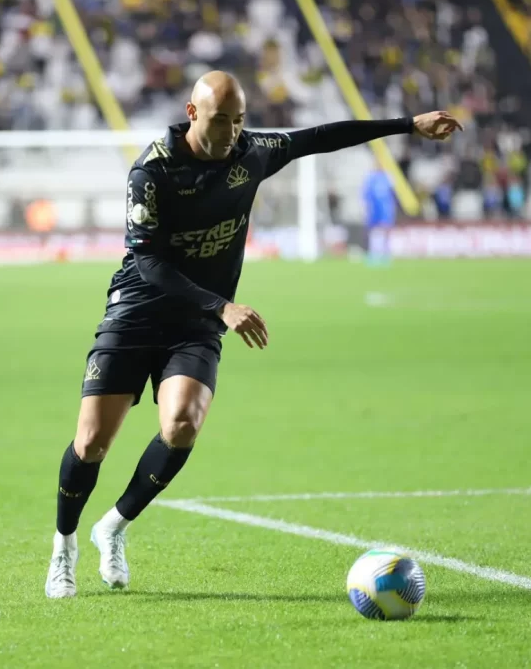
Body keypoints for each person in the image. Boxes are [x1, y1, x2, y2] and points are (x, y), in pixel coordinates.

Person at [45, 71, 463, 598]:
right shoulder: (152, 170)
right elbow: (147, 261)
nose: (232, 132)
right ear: (193, 113)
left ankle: (115, 527)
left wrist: (407, 124)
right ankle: (64, 545)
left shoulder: (252, 150)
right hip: (138, 312)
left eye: (240, 120)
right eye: (222, 120)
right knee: (91, 443)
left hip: (197, 323)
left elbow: (319, 137)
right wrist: (222, 305)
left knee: (181, 424)